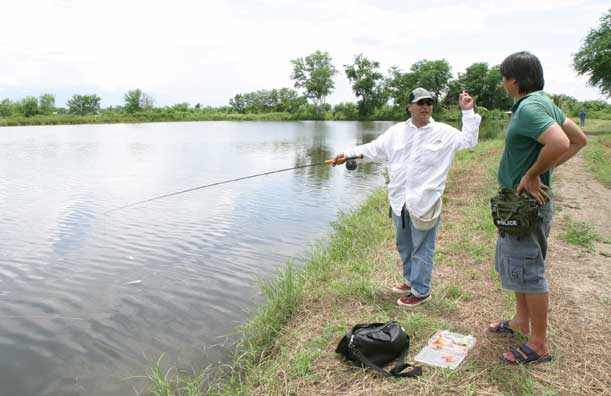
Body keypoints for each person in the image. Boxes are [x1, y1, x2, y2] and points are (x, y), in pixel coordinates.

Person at [332, 87, 481, 307]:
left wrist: (467, 112)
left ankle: (421, 291)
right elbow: (374, 149)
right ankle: (411, 281)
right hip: (399, 202)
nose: (425, 107)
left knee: (422, 248)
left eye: (429, 102)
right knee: (405, 246)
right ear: (409, 107)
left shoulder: (445, 132)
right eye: (420, 103)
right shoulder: (396, 132)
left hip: (425, 202)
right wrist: (348, 154)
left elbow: (469, 141)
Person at [487, 51, 587, 364]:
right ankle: (520, 322)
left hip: (527, 206)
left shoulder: (530, 107)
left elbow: (560, 142)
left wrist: (533, 175)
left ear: (513, 80)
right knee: (517, 265)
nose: (504, 84)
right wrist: (542, 170)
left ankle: (538, 343)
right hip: (517, 206)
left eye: (504, 78)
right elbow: (578, 139)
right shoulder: (544, 102)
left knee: (529, 270)